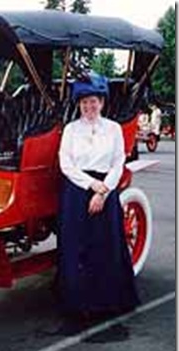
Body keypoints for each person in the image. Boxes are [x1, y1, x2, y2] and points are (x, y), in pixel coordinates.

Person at [57, 72, 139, 326]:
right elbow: (65, 164)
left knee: (105, 245)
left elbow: (118, 162)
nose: (89, 107)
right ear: (79, 104)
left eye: (94, 101)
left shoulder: (113, 129)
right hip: (77, 189)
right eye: (84, 102)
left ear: (102, 103)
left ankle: (105, 302)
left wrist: (103, 191)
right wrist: (91, 185)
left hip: (106, 188)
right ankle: (77, 304)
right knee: (75, 246)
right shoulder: (71, 129)